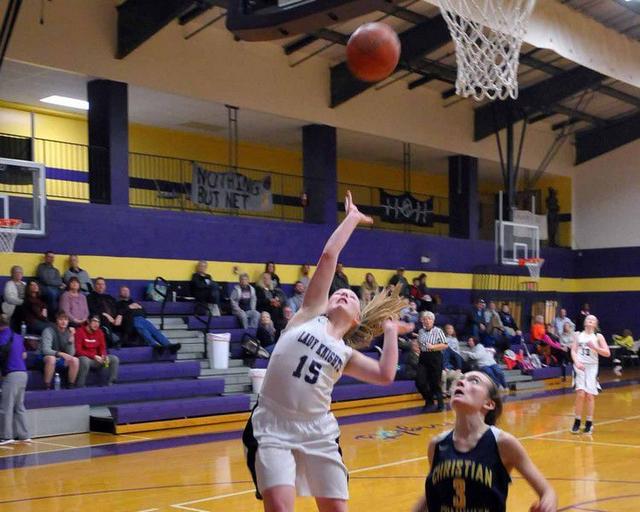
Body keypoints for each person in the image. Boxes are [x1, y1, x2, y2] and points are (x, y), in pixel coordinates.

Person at [242, 191, 412, 511]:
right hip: (273, 422)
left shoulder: (345, 353)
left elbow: (385, 374)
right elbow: (329, 256)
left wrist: (390, 333)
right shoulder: (308, 316)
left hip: (318, 429)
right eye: (340, 293)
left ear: (357, 318)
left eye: (350, 296)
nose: (343, 294)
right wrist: (352, 219)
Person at [412, 371, 557, 512]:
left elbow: (548, 492)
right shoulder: (437, 444)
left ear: (489, 404)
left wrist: (547, 504)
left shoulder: (503, 443)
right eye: (461, 379)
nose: (461, 382)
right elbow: (432, 493)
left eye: (474, 381)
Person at [571, 315, 610, 434]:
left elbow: (607, 353)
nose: (590, 321)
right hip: (580, 366)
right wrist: (576, 362)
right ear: (585, 322)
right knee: (580, 393)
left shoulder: (598, 336)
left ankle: (589, 422)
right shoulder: (578, 335)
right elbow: (573, 350)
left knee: (589, 395)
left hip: (592, 367)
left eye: (592, 320)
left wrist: (595, 348)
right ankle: (577, 421)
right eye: (588, 319)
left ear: (595, 324)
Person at [117, 286, 181, 353]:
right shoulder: (119, 304)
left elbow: (144, 313)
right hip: (130, 320)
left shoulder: (134, 303)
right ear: (119, 293)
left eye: (127, 290)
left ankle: (169, 345)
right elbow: (120, 312)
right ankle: (154, 345)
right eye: (124, 290)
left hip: (141, 318)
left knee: (154, 330)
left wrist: (139, 308)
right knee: (142, 328)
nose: (126, 292)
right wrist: (129, 307)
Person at [0, 315, 31, 445]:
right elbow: (24, 354)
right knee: (19, 405)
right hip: (23, 373)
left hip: (11, 374)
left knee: (6, 406)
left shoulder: (1, 337)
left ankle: (6, 436)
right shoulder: (17, 336)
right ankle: (24, 435)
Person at [415, 311, 448, 412]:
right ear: (422, 321)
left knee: (434, 383)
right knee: (419, 381)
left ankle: (441, 404)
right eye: (425, 319)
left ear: (433, 320)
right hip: (423, 357)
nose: (427, 321)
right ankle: (429, 400)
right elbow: (419, 344)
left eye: (429, 319)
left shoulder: (438, 331)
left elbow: (445, 345)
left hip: (435, 357)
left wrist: (433, 346)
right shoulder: (420, 331)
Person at [75, 315, 119, 387]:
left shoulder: (100, 332)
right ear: (88, 321)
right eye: (94, 321)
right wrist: (94, 356)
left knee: (114, 359)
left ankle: (111, 383)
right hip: (86, 359)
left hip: (98, 360)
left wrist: (103, 355)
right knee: (84, 360)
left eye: (98, 322)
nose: (96, 324)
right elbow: (78, 351)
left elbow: (103, 347)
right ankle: (80, 385)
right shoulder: (80, 332)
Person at [39, 312, 80, 389]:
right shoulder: (48, 331)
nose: (64, 322)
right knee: (51, 358)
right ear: (56, 320)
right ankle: (47, 386)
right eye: (61, 319)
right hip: (42, 357)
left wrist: (71, 339)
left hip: (58, 358)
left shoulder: (68, 332)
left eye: (66, 320)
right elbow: (45, 350)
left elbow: (71, 353)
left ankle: (70, 385)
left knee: (75, 360)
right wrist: (61, 354)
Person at [87, 277, 122, 348]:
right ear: (94, 286)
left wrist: (119, 316)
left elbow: (119, 307)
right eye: (98, 284)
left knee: (128, 315)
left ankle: (124, 340)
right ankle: (112, 340)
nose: (100, 286)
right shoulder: (90, 297)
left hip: (115, 320)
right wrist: (107, 316)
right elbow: (93, 310)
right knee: (102, 318)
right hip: (102, 320)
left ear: (105, 286)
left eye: (102, 284)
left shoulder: (109, 297)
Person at [36, 250, 65, 317]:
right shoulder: (41, 267)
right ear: (45, 258)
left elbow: (59, 280)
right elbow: (46, 281)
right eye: (49, 257)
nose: (51, 259)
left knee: (65, 294)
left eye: (52, 257)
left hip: (55, 288)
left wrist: (59, 284)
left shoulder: (56, 270)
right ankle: (52, 316)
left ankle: (62, 316)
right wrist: (58, 283)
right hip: (44, 288)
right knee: (52, 293)